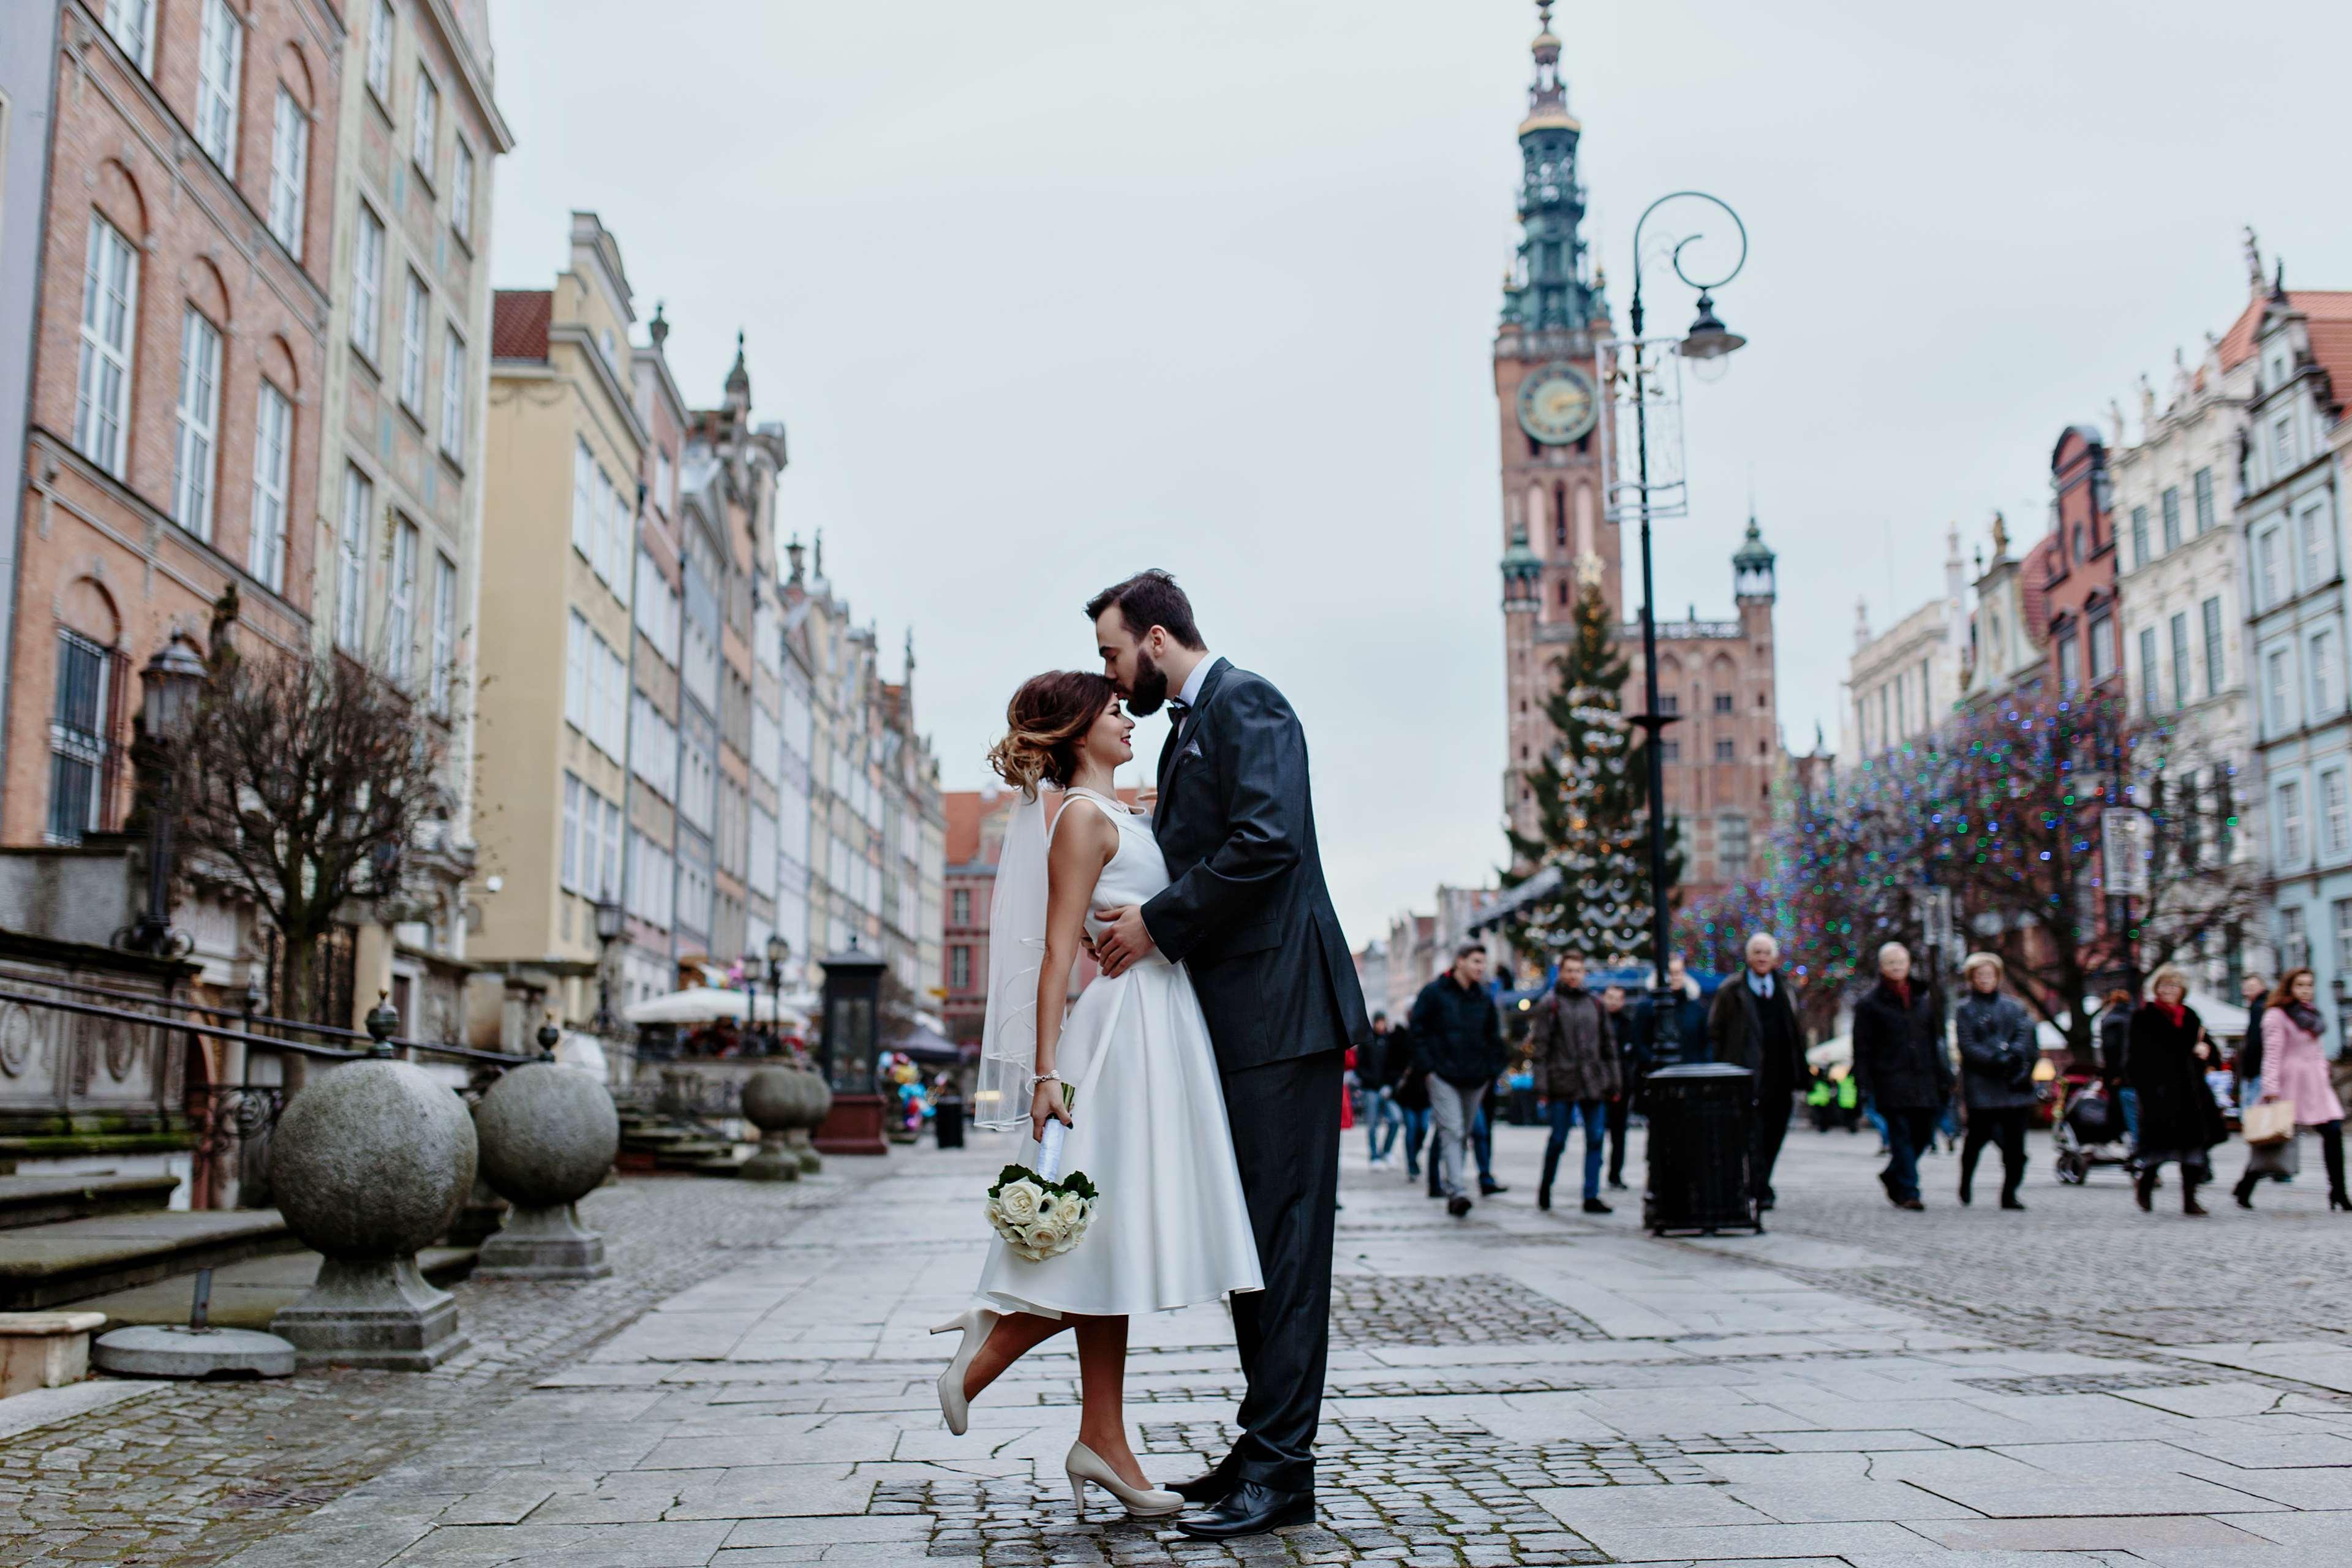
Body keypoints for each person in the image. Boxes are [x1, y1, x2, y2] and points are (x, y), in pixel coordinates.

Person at [1082, 572, 1370, 1539]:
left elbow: (1269, 843)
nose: (1113, 683)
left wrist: (1155, 924)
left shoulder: (1250, 702)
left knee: (1285, 1249)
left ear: (1157, 639)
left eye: (1115, 656)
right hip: (1246, 1020)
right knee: (1256, 1247)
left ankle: (1285, 1471)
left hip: (1283, 1017)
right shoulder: (1194, 727)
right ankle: (1263, 1446)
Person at [943, 671, 1261, 1525]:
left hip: (1161, 1022)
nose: (1129, 717)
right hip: (1123, 1034)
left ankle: (1102, 1438)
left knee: (1117, 1237)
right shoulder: (1081, 820)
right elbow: (1056, 954)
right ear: (1081, 730)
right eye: (1114, 710)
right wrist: (1044, 1074)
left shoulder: (1115, 814)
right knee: (1113, 1234)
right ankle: (993, 1350)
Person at [1706, 932, 1807, 1210]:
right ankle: (1759, 1188)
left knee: (1775, 1133)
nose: (1762, 958)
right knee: (1751, 1134)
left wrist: (1801, 1070)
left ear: (1775, 959)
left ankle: (1760, 1182)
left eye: (1766, 953)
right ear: (1748, 957)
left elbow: (1794, 1031)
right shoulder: (1732, 990)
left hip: (1781, 1075)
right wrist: (1724, 1066)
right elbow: (1716, 1032)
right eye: (1757, 952)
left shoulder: (1785, 989)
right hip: (1746, 1076)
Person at [2235, 968, 2350, 1210]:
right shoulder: (2276, 1015)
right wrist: (2270, 1088)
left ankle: (2338, 1192)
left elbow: (2316, 1050)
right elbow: (2272, 1055)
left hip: (2316, 1085)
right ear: (2289, 987)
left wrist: (2323, 1069)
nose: (2306, 990)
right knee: (2271, 1138)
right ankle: (2245, 1186)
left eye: (2309, 985)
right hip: (2289, 1084)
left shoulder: (2311, 1015)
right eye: (2300, 985)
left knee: (2333, 1132)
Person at [1850, 943, 1953, 1210]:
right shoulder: (1869, 1004)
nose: (1896, 967)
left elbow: (1935, 1041)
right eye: (1891, 962)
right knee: (1901, 1135)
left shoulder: (1923, 999)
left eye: (1901, 961)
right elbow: (1862, 1048)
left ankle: (1893, 1174)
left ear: (1909, 964)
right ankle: (1910, 1190)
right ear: (1882, 967)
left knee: (1925, 1133)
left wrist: (1944, 1075)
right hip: (1890, 1080)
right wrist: (1864, 1083)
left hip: (1925, 1079)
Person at [1409, 943, 1507, 1219]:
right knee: (1451, 1129)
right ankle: (1457, 1191)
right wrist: (1428, 1067)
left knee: (1463, 1132)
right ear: (1460, 961)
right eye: (1476, 962)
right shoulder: (1434, 993)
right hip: (1443, 1075)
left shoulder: (1484, 998)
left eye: (1483, 963)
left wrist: (1492, 1069)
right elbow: (1418, 1032)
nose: (1480, 968)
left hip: (1476, 1078)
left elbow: (1494, 1037)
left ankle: (1455, 1183)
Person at [2125, 965, 2227, 1215]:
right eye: (2164, 986)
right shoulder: (2144, 1017)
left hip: (2191, 1092)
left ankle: (2190, 1199)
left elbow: (2209, 1048)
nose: (2168, 990)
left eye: (2173, 986)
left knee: (2193, 1148)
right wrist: (2146, 1088)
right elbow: (2137, 1057)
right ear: (2156, 989)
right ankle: (2145, 1184)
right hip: (2159, 1091)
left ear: (2183, 990)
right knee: (2158, 1147)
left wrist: (2207, 1053)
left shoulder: (2191, 1017)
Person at [1528, 952, 1620, 1213]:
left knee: (1596, 1138)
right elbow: (1541, 1049)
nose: (1574, 975)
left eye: (1578, 970)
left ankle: (1591, 1195)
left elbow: (1608, 1045)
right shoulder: (1551, 1004)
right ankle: (1546, 1187)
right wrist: (1542, 1087)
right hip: (1562, 1081)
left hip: (1593, 1081)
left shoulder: (1596, 1004)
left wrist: (1614, 1081)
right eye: (1569, 970)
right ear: (1561, 972)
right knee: (1558, 1139)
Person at [1952, 952, 2035, 1211]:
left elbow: (2025, 1035)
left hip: (2013, 1084)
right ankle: (1966, 1181)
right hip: (1982, 1086)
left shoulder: (2014, 1006)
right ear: (1972, 979)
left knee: (2016, 1147)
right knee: (1976, 1140)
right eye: (1980, 975)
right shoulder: (1965, 1010)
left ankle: (2010, 1192)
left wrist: (2014, 1056)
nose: (1985, 980)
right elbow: (1967, 1045)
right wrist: (1995, 1058)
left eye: (1990, 975)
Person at [1600, 983, 1634, 1189]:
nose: (1613, 1002)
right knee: (1596, 1133)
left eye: (1617, 998)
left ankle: (1615, 1174)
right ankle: (1596, 1171)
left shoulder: (1628, 1025)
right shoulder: (1597, 1022)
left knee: (1619, 1133)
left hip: (1621, 1086)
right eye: (1610, 997)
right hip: (1599, 1085)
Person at [1358, 1013, 1403, 1166]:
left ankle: (1387, 1151)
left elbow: (1395, 1064)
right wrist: (1369, 1080)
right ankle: (1374, 1156)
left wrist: (1390, 1084)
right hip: (1370, 1088)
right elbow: (1360, 1065)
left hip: (1386, 1089)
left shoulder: (1390, 1041)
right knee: (1372, 1124)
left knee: (1396, 1119)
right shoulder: (1367, 1041)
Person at [2098, 989, 2138, 1149]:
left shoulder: (2112, 1020)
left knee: (2120, 1105)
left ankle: (2122, 1139)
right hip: (2135, 1072)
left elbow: (2111, 1049)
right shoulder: (2134, 1017)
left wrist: (2114, 1073)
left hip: (2119, 1074)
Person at [2236, 970, 2271, 1123]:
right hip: (2261, 1067)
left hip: (2257, 1069)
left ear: (2262, 987)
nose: (2247, 990)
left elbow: (2256, 1041)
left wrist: (2249, 1070)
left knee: (2253, 1114)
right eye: (2246, 987)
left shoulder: (2259, 1007)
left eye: (2252, 986)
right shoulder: (2264, 1005)